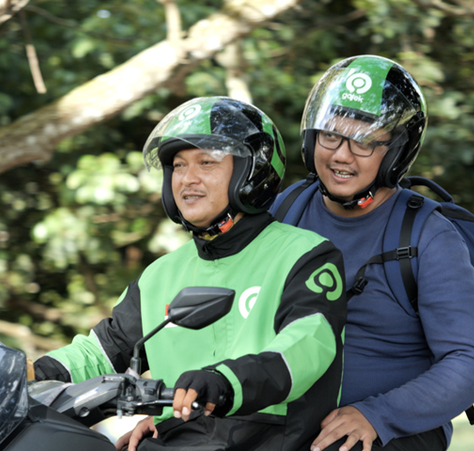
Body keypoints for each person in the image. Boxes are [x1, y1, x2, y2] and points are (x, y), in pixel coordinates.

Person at [33, 96, 348, 451]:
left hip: (269, 442)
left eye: (206, 162)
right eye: (179, 166)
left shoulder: (305, 255)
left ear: (251, 171)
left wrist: (223, 381)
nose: (188, 179)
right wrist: (30, 373)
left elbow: (308, 346)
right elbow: (102, 351)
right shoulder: (160, 275)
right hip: (178, 442)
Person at [270, 55, 474, 451]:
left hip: (393, 432)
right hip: (287, 420)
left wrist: (377, 414)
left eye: (363, 142)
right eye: (330, 136)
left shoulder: (429, 235)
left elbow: (470, 362)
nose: (341, 155)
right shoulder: (289, 208)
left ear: (395, 153)